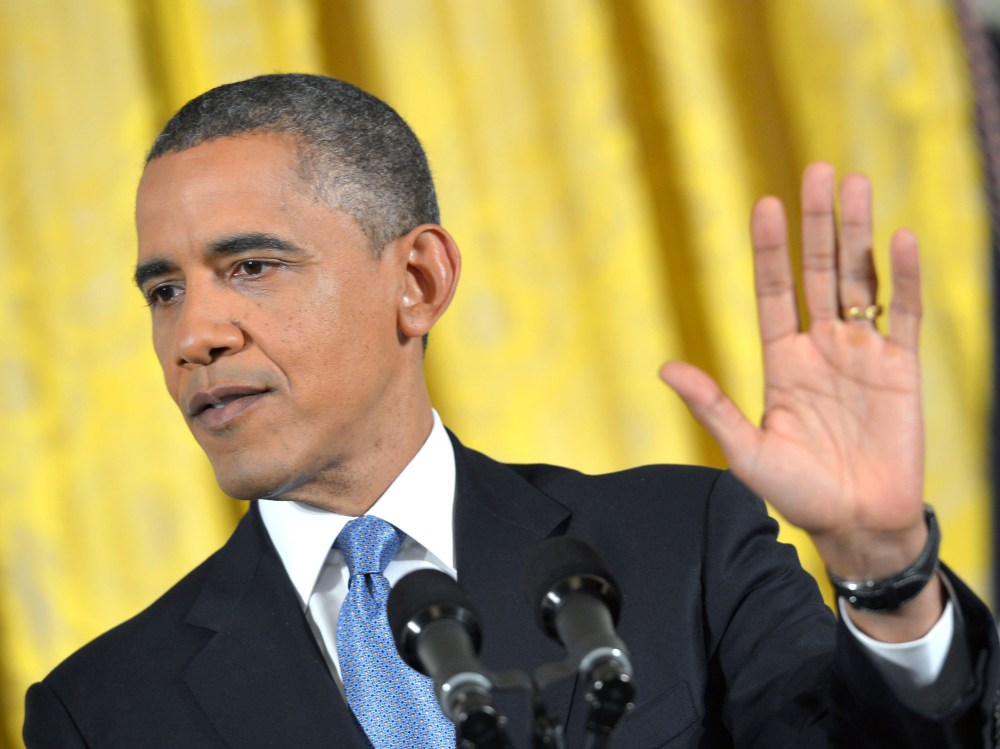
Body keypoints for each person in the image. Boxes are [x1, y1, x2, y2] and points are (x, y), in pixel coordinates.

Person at [22, 73, 999, 748]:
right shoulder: (101, 707)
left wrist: (883, 572)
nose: (195, 332)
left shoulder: (679, 546)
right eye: (163, 291)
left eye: (251, 266)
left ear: (416, 278)